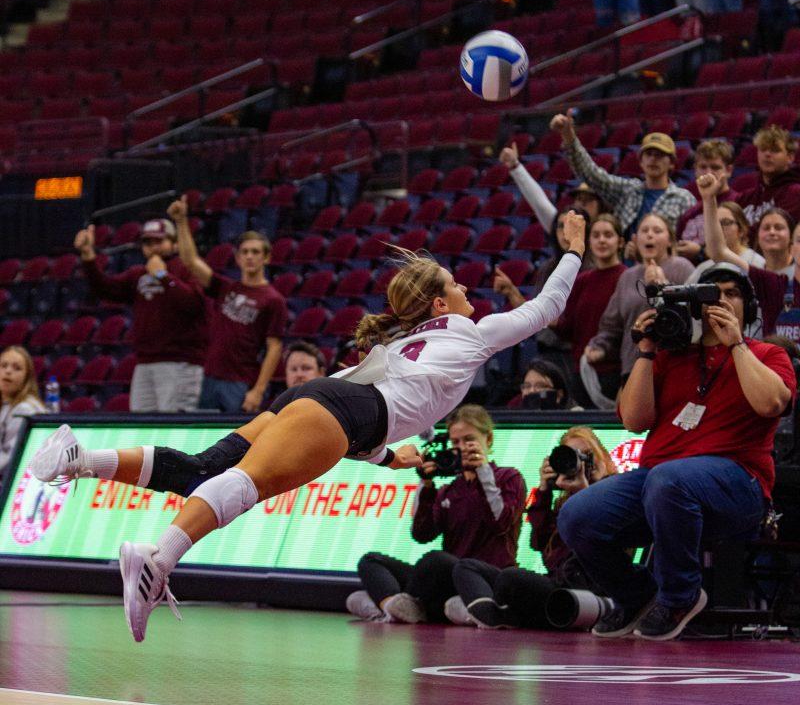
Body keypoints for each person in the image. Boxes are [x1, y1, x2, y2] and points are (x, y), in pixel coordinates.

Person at [32, 217, 587, 642]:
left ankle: (80, 457)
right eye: (457, 285)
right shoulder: (471, 332)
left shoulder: (395, 346)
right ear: (442, 304)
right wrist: (573, 248)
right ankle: (158, 559)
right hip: (350, 410)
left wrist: (392, 460)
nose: (468, 289)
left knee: (203, 471)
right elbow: (550, 305)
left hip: (326, 399)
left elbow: (350, 424)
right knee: (249, 485)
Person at [558, 265, 796, 640]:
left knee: (669, 479)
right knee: (576, 515)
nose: (720, 300)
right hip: (659, 482)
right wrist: (646, 351)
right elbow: (634, 421)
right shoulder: (672, 358)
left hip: (738, 486)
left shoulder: (766, 354)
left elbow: (771, 404)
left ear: (747, 308)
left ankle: (680, 595)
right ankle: (635, 595)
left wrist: (736, 344)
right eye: (711, 293)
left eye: (731, 294)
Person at [347, 405, 527, 624]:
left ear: (487, 439)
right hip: (449, 578)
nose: (460, 448)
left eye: (468, 440)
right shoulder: (449, 490)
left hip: (484, 576)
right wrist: (425, 482)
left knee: (437, 560)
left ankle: (399, 608)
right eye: (455, 442)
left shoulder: (509, 477)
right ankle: (397, 605)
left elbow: (501, 523)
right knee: (370, 561)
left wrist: (483, 473)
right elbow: (421, 534)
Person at [448, 427, 617, 629]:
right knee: (467, 567)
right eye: (571, 456)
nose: (579, 463)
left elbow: (607, 541)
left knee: (511, 578)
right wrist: (544, 491)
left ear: (600, 454)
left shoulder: (614, 489)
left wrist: (584, 491)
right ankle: (493, 613)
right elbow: (538, 544)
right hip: (555, 585)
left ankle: (487, 611)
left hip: (587, 591)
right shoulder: (564, 502)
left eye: (585, 455)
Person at [168, 197, 287, 414]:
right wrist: (181, 221)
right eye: (245, 252)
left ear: (266, 258)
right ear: (238, 258)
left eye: (255, 252)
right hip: (211, 376)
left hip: (241, 382)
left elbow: (274, 348)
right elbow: (191, 262)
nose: (250, 256)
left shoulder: (273, 299)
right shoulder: (226, 287)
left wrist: (258, 391)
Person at [75, 218, 207, 412]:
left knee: (173, 426)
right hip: (144, 362)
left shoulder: (188, 268)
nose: (153, 247)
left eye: (159, 241)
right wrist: (88, 256)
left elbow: (194, 304)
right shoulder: (138, 273)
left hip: (180, 363)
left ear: (175, 243)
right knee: (142, 425)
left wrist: (163, 277)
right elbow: (106, 289)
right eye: (148, 242)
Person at [584, 212, 694, 381]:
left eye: (657, 231)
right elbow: (611, 326)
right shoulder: (628, 276)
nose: (650, 234)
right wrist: (600, 346)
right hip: (633, 366)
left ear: (670, 240)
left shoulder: (683, 268)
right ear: (635, 240)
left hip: (675, 364)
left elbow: (692, 316)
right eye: (644, 230)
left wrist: (663, 286)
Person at [549, 112, 694, 236]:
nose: (653, 159)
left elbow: (688, 239)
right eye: (648, 154)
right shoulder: (627, 191)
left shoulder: (684, 199)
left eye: (660, 155)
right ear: (640, 161)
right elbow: (591, 174)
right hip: (626, 267)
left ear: (672, 163)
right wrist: (568, 135)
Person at [701, 173, 797, 339]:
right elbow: (718, 252)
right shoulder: (772, 282)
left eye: (778, 227)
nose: (772, 232)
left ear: (790, 240)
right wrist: (709, 199)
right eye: (766, 227)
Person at [551, 214, 627, 402]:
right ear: (589, 241)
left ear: (620, 242)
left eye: (608, 235)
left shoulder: (628, 277)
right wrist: (552, 323)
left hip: (617, 371)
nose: (602, 240)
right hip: (582, 372)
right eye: (596, 235)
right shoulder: (582, 280)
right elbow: (569, 330)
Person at [675, 139, 738, 260]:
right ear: (695, 170)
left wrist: (700, 252)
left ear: (729, 170)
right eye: (703, 167)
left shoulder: (739, 204)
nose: (708, 173)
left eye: (715, 167)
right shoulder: (689, 213)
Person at [734, 124, 800, 232]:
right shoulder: (744, 198)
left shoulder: (795, 193)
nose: (767, 154)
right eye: (763, 149)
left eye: (775, 150)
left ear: (790, 157)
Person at [0, 347, 44, 485]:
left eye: (16, 368)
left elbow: (11, 458)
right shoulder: (6, 403)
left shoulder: (25, 409)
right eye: (3, 365)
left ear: (27, 377)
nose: (8, 371)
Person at [508, 359, 580, 411]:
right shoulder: (511, 414)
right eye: (527, 386)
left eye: (540, 386)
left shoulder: (576, 419)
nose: (532, 391)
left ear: (559, 394)